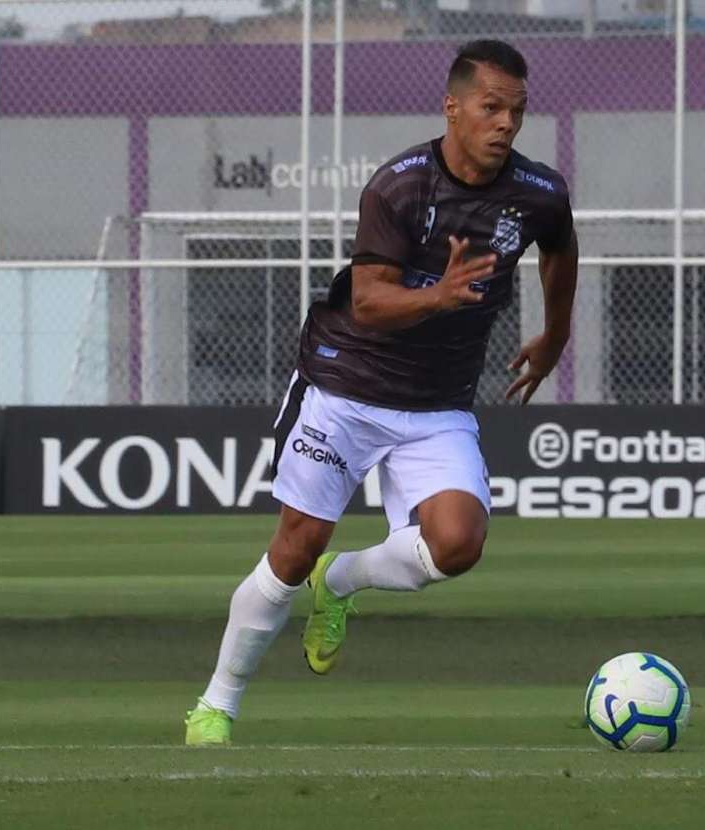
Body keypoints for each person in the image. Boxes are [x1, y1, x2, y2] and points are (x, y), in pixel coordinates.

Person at [185, 38, 578, 745]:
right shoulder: (399, 187)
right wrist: (440, 295)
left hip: (437, 405)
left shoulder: (538, 192)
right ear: (452, 107)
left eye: (517, 112)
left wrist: (554, 336)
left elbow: (561, 248)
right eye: (491, 108)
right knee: (295, 546)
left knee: (457, 544)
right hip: (345, 385)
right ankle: (217, 702)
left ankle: (341, 583)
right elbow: (368, 302)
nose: (506, 125)